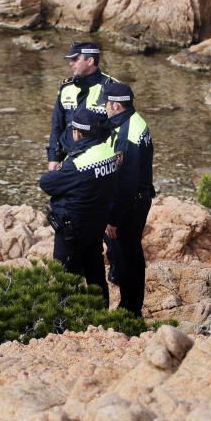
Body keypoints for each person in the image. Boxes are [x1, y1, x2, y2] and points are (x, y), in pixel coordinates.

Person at [40, 108, 118, 307]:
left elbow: (47, 183)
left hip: (72, 226)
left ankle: (65, 324)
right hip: (95, 222)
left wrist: (58, 170)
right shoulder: (106, 151)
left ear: (77, 132)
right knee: (95, 269)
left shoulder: (79, 163)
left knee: (66, 274)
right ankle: (100, 313)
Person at [104, 82, 155, 316]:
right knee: (130, 253)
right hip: (138, 198)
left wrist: (113, 218)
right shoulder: (135, 121)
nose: (104, 108)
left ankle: (130, 309)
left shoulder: (127, 136)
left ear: (116, 105)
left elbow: (126, 182)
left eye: (105, 104)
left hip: (131, 204)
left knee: (128, 256)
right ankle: (132, 305)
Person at [47, 41, 116, 171]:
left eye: (75, 59)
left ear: (89, 61)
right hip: (68, 159)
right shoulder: (66, 87)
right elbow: (57, 126)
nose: (70, 63)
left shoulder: (112, 88)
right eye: (70, 59)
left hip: (98, 162)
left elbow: (120, 130)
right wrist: (53, 158)